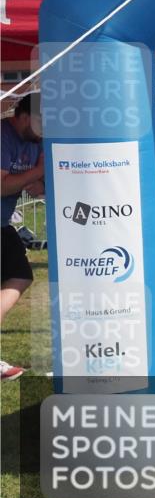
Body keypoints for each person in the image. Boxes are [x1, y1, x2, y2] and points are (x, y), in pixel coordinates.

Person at [1, 94, 44, 381]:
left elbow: (34, 187)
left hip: (2, 223)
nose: (45, 130)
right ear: (24, 116)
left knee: (20, 275)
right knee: (20, 275)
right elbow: (2, 187)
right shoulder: (2, 135)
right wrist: (38, 171)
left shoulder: (33, 142)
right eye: (41, 123)